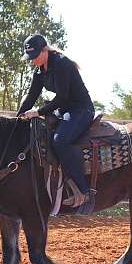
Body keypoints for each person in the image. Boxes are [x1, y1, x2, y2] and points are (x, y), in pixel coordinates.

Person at [17, 34, 96, 214]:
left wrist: (38, 112)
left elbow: (62, 97)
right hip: (64, 110)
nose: (33, 60)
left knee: (60, 141)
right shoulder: (39, 71)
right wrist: (18, 118)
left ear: (45, 50)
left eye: (36, 55)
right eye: (30, 57)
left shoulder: (62, 63)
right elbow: (31, 97)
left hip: (81, 109)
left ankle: (83, 191)